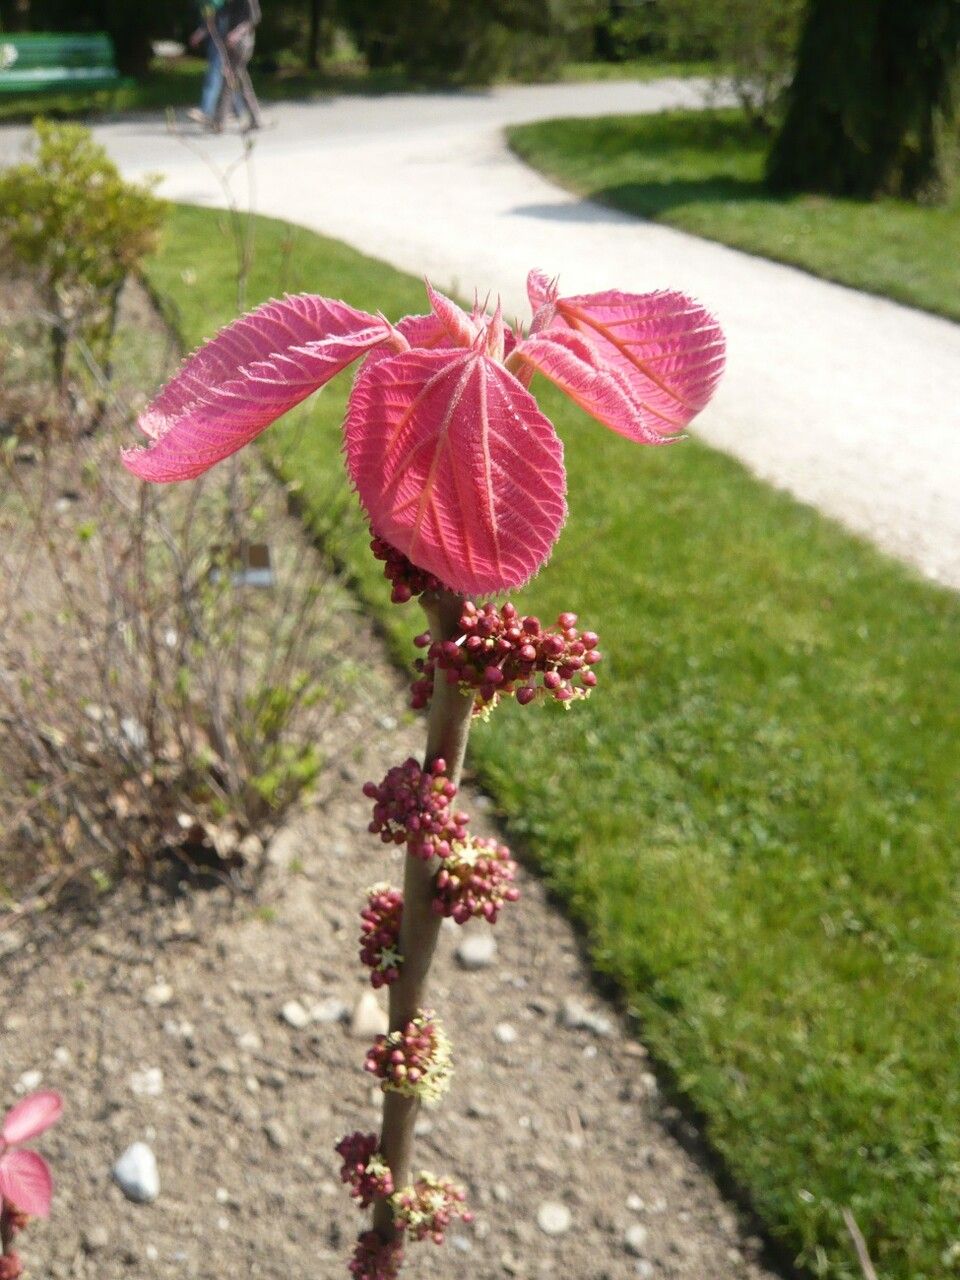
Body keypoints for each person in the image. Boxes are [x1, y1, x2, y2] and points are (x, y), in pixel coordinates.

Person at [214, 0, 263, 133]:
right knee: (240, 80)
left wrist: (237, 33)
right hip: (232, 44)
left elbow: (254, 18)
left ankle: (219, 121)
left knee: (229, 80)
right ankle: (255, 118)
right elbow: (220, 15)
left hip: (242, 44)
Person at [187, 1, 230, 131]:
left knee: (214, 74)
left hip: (221, 39)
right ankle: (235, 110)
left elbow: (216, 18)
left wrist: (201, 32)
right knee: (229, 76)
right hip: (218, 39)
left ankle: (206, 110)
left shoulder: (216, 3)